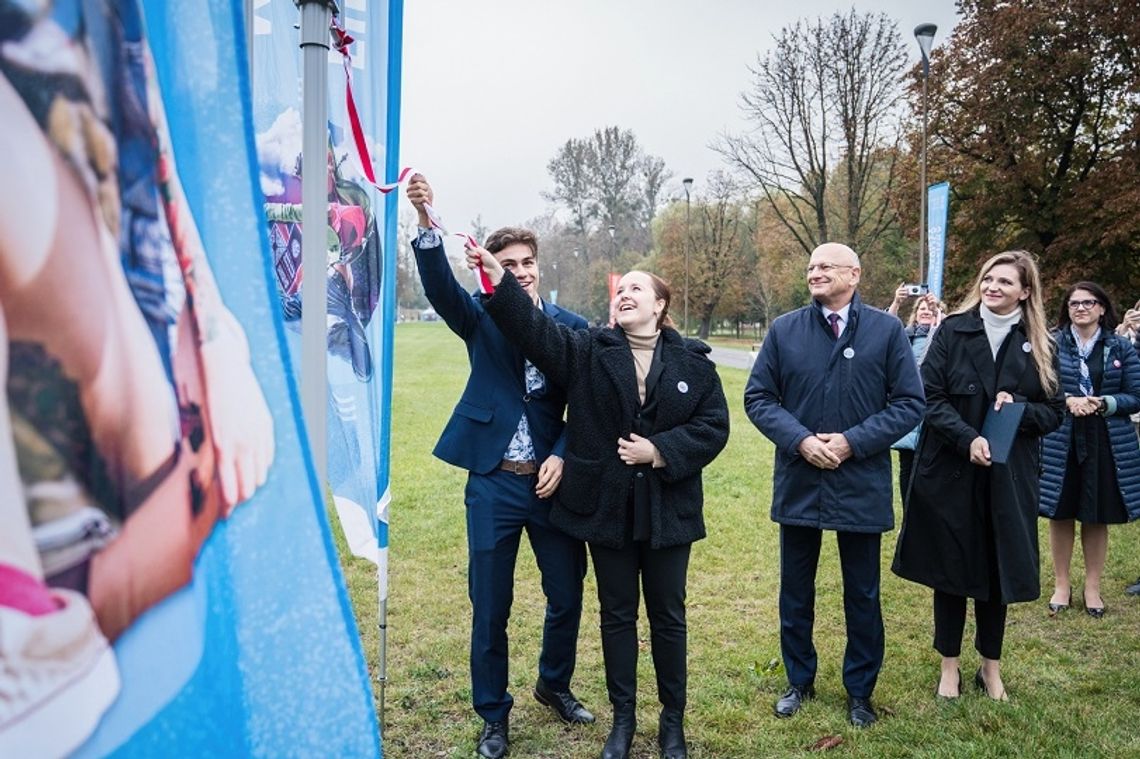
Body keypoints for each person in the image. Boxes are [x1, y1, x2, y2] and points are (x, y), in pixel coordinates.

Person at [467, 246, 729, 759]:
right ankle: (623, 723)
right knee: (617, 615)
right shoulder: (589, 350)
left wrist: (661, 451)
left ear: (659, 305)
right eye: (620, 289)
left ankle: (671, 724)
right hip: (606, 510)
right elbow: (536, 331)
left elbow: (714, 427)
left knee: (669, 617)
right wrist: (498, 277)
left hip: (667, 511)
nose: (625, 293)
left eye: (637, 288)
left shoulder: (692, 362)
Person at [405, 175, 592, 759]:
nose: (520, 270)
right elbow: (439, 289)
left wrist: (561, 455)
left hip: (553, 487)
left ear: (537, 265)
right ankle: (493, 714)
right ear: (494, 269)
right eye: (507, 263)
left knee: (567, 593)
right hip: (493, 482)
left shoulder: (574, 328)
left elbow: (585, 409)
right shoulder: (481, 316)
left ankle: (553, 685)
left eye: (527, 261)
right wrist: (424, 225)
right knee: (491, 605)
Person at [744, 243, 924, 728]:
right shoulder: (785, 330)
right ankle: (798, 680)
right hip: (801, 478)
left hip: (859, 478)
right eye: (810, 267)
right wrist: (801, 441)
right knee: (795, 590)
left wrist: (851, 443)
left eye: (825, 266)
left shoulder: (887, 332)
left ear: (855, 274)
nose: (814, 273)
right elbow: (759, 397)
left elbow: (909, 403)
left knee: (862, 593)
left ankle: (860, 691)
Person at [893, 250, 1064, 701]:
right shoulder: (952, 329)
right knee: (950, 568)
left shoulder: (1041, 342)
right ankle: (949, 666)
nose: (993, 287)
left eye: (1006, 282)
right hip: (951, 469)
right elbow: (928, 396)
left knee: (996, 569)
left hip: (1009, 475)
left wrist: (1021, 412)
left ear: (1025, 292)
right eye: (989, 278)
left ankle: (991, 666)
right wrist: (968, 437)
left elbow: (1054, 411)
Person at [1039, 283, 1140, 617]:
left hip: (1105, 439)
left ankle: (1093, 587)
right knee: (1061, 511)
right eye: (1073, 303)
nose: (1080, 308)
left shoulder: (1121, 346)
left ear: (1101, 308)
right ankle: (1062, 584)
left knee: (1097, 515)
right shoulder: (1052, 343)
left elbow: (1136, 395)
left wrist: (1106, 402)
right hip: (1061, 437)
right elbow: (1040, 387)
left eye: (1087, 303)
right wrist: (1066, 400)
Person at [888, 290, 945, 505]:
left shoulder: (942, 336)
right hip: (909, 409)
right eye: (921, 309)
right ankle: (908, 516)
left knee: (931, 467)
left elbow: (947, 326)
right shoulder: (906, 336)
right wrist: (896, 302)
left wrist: (936, 308)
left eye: (929, 310)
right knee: (908, 466)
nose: (925, 312)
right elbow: (885, 328)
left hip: (933, 407)